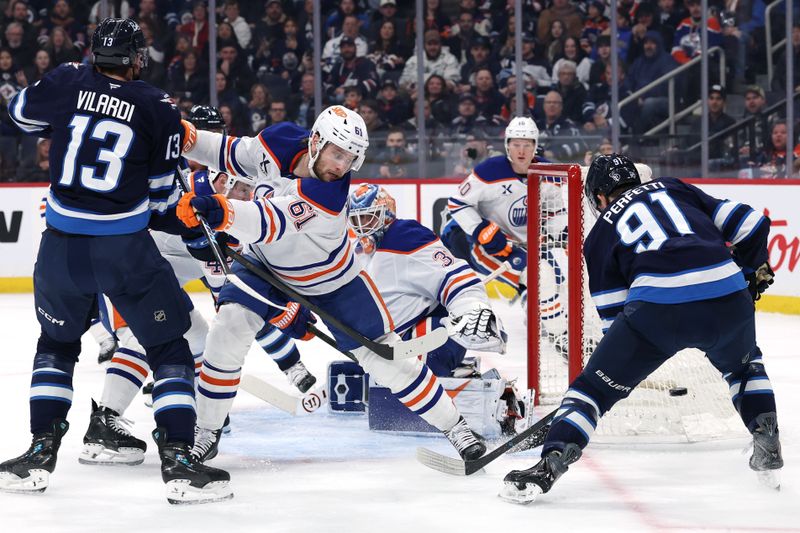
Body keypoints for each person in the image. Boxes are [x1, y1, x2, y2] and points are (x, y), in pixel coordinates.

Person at [0, 18, 231, 504]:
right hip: (124, 252)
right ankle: (180, 464)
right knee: (170, 349)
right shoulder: (158, 106)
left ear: (93, 53)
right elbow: (159, 202)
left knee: (56, 347)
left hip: (59, 248)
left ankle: (38, 456)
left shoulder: (67, 78)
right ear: (137, 60)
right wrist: (195, 227)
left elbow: (19, 114)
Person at [177, 105, 487, 464]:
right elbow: (230, 153)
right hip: (265, 266)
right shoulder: (278, 141)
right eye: (337, 154)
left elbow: (269, 222)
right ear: (316, 141)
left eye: (351, 158)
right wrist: (184, 137)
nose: (342, 166)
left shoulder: (329, 195)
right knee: (227, 330)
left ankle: (456, 427)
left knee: (385, 358)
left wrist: (222, 212)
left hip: (332, 280)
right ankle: (207, 432)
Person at [500, 154, 783, 504]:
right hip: (728, 296)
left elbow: (615, 319)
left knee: (590, 389)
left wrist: (619, 371)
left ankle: (550, 463)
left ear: (600, 197)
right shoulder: (676, 188)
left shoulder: (600, 233)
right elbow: (752, 223)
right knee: (744, 367)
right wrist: (750, 273)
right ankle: (765, 435)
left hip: (657, 313)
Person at [346, 184, 524, 433]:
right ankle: (459, 377)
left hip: (432, 336)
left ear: (386, 212)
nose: (362, 225)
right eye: (356, 219)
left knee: (407, 380)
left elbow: (455, 275)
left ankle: (494, 402)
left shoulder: (403, 235)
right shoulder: (360, 250)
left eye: (368, 216)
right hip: (393, 340)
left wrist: (473, 308)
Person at [442, 117, 570, 355]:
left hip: (530, 246)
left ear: (535, 146)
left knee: (554, 281)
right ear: (507, 146)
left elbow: (555, 211)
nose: (521, 151)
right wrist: (481, 230)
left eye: (527, 144)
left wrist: (560, 232)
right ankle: (560, 335)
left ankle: (539, 318)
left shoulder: (547, 173)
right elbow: (457, 203)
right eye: (516, 144)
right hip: (491, 247)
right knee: (537, 276)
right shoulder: (490, 171)